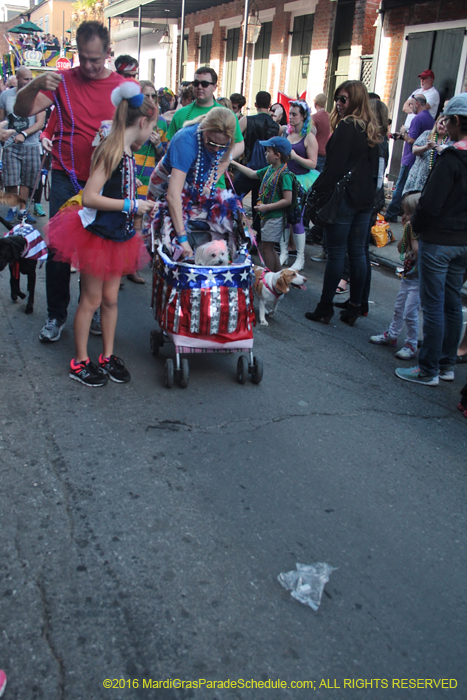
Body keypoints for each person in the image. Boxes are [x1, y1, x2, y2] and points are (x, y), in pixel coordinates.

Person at [14, 21, 125, 343]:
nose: (89, 66)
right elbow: (23, 110)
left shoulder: (121, 86)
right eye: (84, 58)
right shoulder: (60, 80)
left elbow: (135, 132)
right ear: (76, 51)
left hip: (105, 181)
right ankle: (56, 315)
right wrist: (34, 84)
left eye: (96, 59)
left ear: (107, 53)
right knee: (60, 250)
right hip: (66, 176)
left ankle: (88, 311)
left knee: (99, 250)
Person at [46, 82, 155, 387]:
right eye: (153, 127)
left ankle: (106, 356)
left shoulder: (128, 153)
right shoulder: (113, 151)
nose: (153, 135)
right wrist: (132, 204)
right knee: (91, 300)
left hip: (119, 236)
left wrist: (137, 214)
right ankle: (79, 361)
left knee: (110, 300)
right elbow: (91, 196)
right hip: (98, 236)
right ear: (143, 122)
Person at [395, 93, 467, 387]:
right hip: (462, 243)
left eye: (448, 119)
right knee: (451, 305)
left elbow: (430, 203)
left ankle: (429, 369)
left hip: (439, 241)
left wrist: (418, 226)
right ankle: (445, 364)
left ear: (457, 121)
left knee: (435, 305)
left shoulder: (451, 158)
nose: (445, 124)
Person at [304, 80, 380, 326]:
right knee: (357, 253)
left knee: (337, 253)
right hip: (364, 200)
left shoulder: (348, 126)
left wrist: (315, 192)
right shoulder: (371, 129)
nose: (339, 103)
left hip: (346, 199)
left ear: (355, 100)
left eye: (344, 99)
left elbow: (333, 168)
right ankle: (355, 306)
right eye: (337, 98)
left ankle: (325, 306)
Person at [146, 107, 236, 258]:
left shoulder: (224, 141)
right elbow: (173, 195)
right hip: (166, 184)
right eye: (211, 143)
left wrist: (209, 183)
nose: (215, 149)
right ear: (204, 129)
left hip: (194, 184)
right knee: (166, 242)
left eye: (220, 146)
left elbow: (225, 159)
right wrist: (183, 241)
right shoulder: (186, 140)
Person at [166, 67, 244, 188]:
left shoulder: (226, 114)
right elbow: (170, 145)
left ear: (214, 87)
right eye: (196, 83)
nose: (200, 87)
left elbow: (239, 143)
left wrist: (225, 157)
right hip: (184, 184)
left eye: (205, 84)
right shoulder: (180, 114)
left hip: (215, 185)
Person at [370, 193, 421, 360]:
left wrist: (412, 235)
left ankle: (411, 344)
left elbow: (417, 252)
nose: (404, 217)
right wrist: (407, 232)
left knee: (410, 312)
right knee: (399, 307)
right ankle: (392, 334)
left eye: (408, 213)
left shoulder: (422, 234)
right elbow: (401, 249)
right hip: (408, 276)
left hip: (419, 279)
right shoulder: (410, 229)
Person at [231, 136, 293, 272]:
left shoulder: (285, 175)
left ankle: (270, 278)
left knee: (266, 249)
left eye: (268, 151)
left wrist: (266, 207)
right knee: (269, 248)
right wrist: (234, 163)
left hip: (274, 217)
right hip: (267, 216)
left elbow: (287, 200)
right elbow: (253, 174)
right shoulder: (270, 169)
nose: (265, 154)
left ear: (277, 155)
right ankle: (278, 275)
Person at [0, 66, 45, 224]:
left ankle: (22, 211)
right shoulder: (6, 95)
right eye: (26, 79)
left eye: (30, 79)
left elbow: (40, 123)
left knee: (28, 180)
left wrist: (24, 134)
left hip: (31, 145)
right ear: (17, 79)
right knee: (11, 180)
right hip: (11, 144)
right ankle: (12, 209)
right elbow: (2, 119)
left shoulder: (38, 95)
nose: (28, 82)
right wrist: (3, 135)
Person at [234, 90, 279, 238]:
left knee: (233, 196)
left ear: (255, 104)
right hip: (266, 170)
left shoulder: (246, 120)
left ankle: (237, 230)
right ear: (269, 105)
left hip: (247, 167)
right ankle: (257, 237)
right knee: (258, 206)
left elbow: (235, 139)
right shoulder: (275, 126)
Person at [385, 94, 434, 223]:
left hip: (410, 158)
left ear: (417, 104)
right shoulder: (430, 118)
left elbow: (412, 140)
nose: (410, 107)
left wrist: (404, 133)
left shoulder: (417, 119)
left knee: (400, 186)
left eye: (411, 104)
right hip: (421, 161)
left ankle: (392, 213)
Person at [282, 99, 319, 270]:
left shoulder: (309, 137)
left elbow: (313, 163)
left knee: (296, 219)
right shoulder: (286, 134)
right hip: (284, 179)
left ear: (304, 116)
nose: (291, 117)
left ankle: (300, 257)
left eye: (294, 114)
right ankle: (283, 252)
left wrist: (295, 157)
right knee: (282, 218)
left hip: (300, 181)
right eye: (290, 114)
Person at [402, 115, 452, 195]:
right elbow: (414, 150)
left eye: (446, 124)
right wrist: (426, 147)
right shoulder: (427, 135)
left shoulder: (451, 141)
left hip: (435, 181)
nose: (443, 126)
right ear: (436, 124)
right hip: (418, 178)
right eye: (441, 123)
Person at [312, 93, 331, 172]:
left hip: (316, 153)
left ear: (315, 104)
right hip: (327, 152)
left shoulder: (314, 117)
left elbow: (311, 135)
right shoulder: (330, 117)